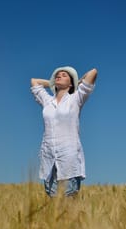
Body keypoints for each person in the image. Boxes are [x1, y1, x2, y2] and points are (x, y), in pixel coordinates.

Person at [31, 65, 97, 197]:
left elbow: (93, 72)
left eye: (64, 75)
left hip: (68, 158)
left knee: (68, 202)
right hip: (49, 159)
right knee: (53, 205)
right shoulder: (47, 101)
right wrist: (51, 83)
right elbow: (34, 81)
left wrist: (78, 82)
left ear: (71, 83)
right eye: (57, 75)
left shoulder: (76, 98)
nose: (59, 76)